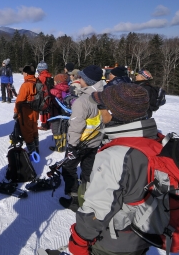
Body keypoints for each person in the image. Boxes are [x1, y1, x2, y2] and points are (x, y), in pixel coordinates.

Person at [66, 83, 154, 255]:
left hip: (114, 242)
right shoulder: (152, 140)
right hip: (143, 233)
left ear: (112, 113)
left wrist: (78, 241)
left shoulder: (116, 155)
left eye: (101, 106)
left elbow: (97, 210)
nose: (98, 110)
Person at [60, 65, 104, 212]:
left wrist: (71, 146)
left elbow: (76, 126)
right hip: (95, 141)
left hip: (80, 143)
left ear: (86, 80)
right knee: (88, 169)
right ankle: (86, 196)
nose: (78, 79)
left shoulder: (82, 102)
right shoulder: (105, 95)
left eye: (80, 77)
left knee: (68, 167)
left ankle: (74, 199)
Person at [13, 64, 39, 154]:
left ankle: (33, 153)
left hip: (26, 112)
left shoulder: (26, 85)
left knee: (27, 131)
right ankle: (37, 148)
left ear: (27, 74)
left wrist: (16, 112)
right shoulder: (37, 82)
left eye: (23, 72)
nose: (22, 74)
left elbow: (19, 101)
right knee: (34, 128)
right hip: (35, 110)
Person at [48, 73, 70, 152]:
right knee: (63, 130)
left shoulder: (54, 90)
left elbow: (54, 100)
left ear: (57, 82)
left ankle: (59, 147)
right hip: (65, 113)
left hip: (56, 113)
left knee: (56, 130)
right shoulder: (67, 88)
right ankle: (63, 146)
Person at [36, 60, 53, 131]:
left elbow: (39, 86)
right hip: (50, 95)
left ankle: (44, 125)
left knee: (43, 110)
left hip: (43, 95)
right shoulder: (49, 75)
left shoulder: (41, 76)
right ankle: (49, 123)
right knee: (48, 110)